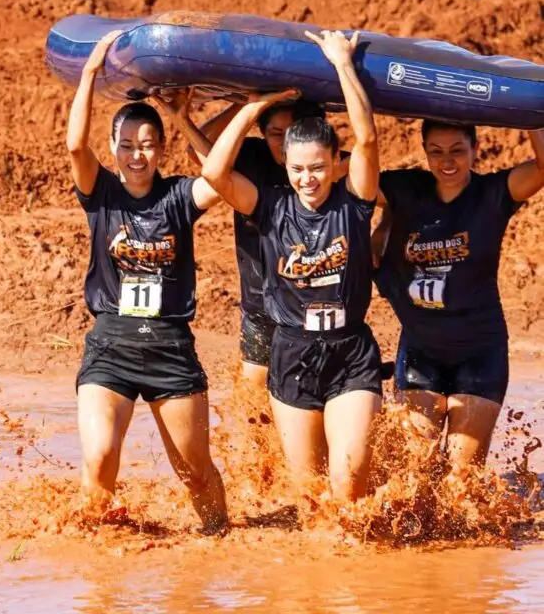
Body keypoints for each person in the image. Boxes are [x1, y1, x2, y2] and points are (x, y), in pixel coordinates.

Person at [201, 30, 382, 502]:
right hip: (292, 355)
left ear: (335, 164)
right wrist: (251, 108)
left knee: (348, 480)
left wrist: (343, 63)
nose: (308, 178)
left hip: (350, 352)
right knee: (309, 495)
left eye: (318, 168)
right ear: (285, 167)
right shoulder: (268, 206)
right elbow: (214, 173)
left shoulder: (355, 204)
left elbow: (366, 138)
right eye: (298, 169)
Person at [67, 30, 229, 532]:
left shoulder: (179, 197)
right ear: (113, 147)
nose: (138, 155)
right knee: (99, 461)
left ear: (160, 149)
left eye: (148, 145)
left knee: (195, 474)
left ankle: (218, 541)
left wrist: (184, 118)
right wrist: (91, 73)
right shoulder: (102, 193)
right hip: (110, 346)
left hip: (169, 350)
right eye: (128, 145)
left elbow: (221, 172)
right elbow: (74, 143)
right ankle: (103, 573)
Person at [373, 120, 544, 468]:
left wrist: (532, 113)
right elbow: (350, 178)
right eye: (436, 152)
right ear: (424, 152)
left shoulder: (493, 194)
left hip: (480, 352)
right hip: (422, 352)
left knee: (460, 479)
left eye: (457, 150)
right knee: (414, 471)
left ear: (475, 149)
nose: (446, 161)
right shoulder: (406, 188)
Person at [189, 98, 349, 388]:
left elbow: (375, 177)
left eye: (293, 132)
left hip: (318, 309)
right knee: (254, 409)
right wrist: (247, 106)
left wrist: (381, 235)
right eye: (276, 134)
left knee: (317, 396)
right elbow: (201, 157)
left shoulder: (331, 165)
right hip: (260, 304)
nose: (287, 143)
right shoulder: (250, 157)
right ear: (261, 133)